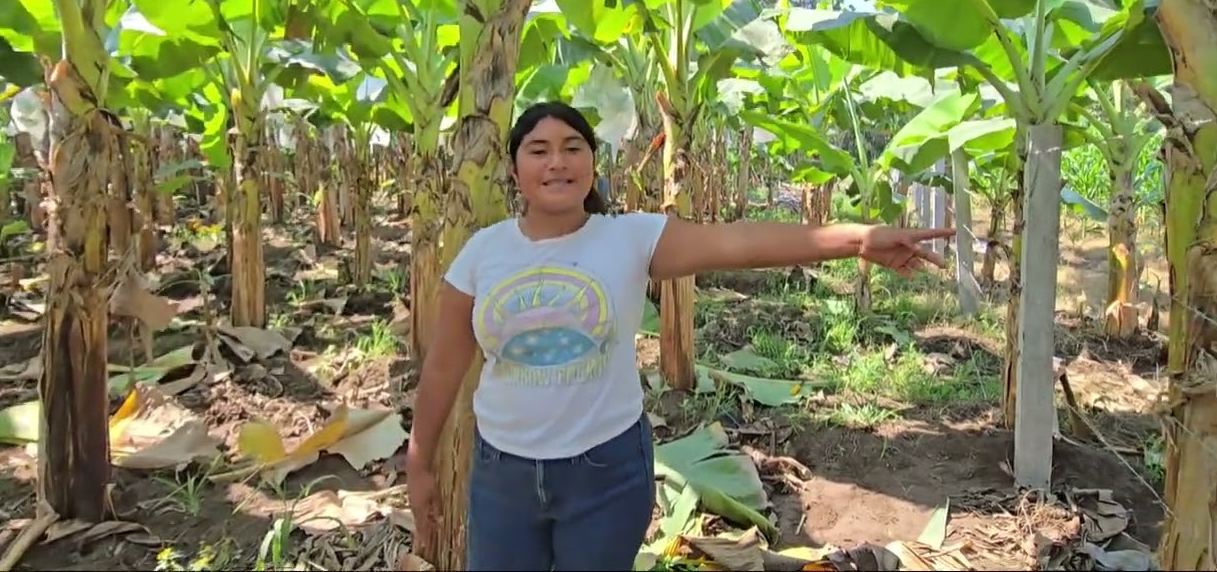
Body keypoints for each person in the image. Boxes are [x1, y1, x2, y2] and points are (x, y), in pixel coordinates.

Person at [406, 101, 954, 571]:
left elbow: (741, 244)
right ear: (514, 165)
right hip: (503, 474)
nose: (557, 161)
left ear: (594, 163)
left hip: (605, 471)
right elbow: (444, 367)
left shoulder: (630, 238)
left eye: (574, 147)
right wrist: (419, 460)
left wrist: (858, 238)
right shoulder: (484, 251)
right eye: (539, 149)